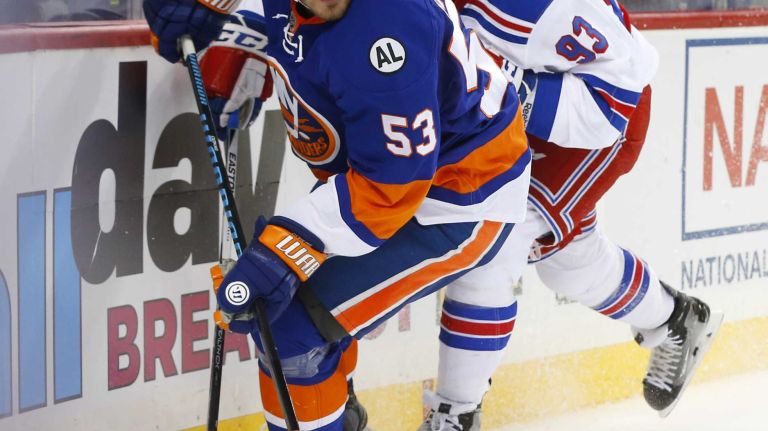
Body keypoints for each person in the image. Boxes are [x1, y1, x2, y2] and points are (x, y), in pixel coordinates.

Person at [144, 0, 534, 430]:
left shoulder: (389, 27)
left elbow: (391, 186)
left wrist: (286, 249)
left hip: (457, 193)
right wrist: (234, 40)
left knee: (291, 327)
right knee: (294, 317)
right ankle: (335, 417)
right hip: (380, 175)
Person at [414, 1, 724, 429]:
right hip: (521, 111)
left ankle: (455, 413)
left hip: (601, 114)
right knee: (568, 265)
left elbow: (610, 100)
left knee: (496, 236)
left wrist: (504, 88)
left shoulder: (537, 8)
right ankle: (676, 318)